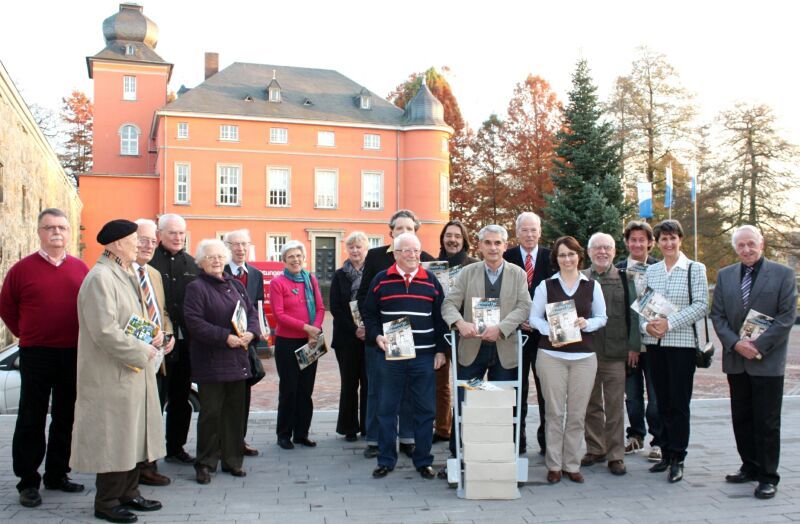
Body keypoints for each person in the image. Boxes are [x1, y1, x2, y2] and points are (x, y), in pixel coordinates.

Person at [72, 219, 165, 523]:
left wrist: (153, 333)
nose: (140, 244)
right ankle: (107, 501)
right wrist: (142, 351)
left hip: (130, 371)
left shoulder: (122, 272)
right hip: (113, 373)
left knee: (133, 435)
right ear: (116, 244)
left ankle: (129, 492)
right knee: (115, 437)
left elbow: (130, 319)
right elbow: (104, 330)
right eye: (133, 239)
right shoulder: (101, 277)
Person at [0, 208, 88, 508]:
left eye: (62, 227)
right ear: (39, 231)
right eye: (49, 227)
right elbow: (7, 307)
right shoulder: (22, 270)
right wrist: (27, 334)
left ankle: (57, 474)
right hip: (36, 353)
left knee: (66, 415)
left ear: (69, 232)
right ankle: (28, 481)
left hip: (73, 351)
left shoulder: (80, 269)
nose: (56, 233)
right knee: (31, 416)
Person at [710, 225, 797, 500]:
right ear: (736, 247)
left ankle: (768, 476)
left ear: (762, 244)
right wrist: (736, 344)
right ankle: (749, 465)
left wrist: (756, 346)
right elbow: (718, 315)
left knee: (767, 421)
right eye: (741, 245)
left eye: (751, 244)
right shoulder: (725, 276)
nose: (746, 249)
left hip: (767, 361)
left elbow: (786, 317)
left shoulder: (783, 274)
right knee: (742, 418)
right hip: (737, 360)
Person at [362, 233, 448, 480]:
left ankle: (423, 461)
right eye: (407, 251)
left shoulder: (431, 281)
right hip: (391, 355)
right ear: (396, 254)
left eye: (416, 250)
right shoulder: (381, 279)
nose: (413, 255)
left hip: (424, 356)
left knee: (425, 410)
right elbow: (369, 314)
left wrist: (441, 349)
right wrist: (376, 336)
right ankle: (386, 460)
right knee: (386, 410)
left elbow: (441, 319)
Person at [441, 224, 531, 457]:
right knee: (465, 402)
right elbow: (449, 304)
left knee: (503, 404)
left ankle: (503, 458)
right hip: (472, 351)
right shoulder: (467, 273)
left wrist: (501, 329)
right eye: (488, 243)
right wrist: (460, 323)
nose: (493, 247)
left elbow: (524, 306)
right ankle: (459, 456)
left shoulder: (517, 273)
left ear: (505, 246)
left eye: (497, 243)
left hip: (504, 352)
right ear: (480, 246)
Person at [355, 209, 435, 458]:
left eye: (409, 228)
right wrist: (370, 330)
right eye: (399, 228)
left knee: (410, 392)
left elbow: (437, 299)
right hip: (383, 338)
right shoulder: (377, 257)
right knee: (378, 390)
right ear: (391, 233)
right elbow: (364, 296)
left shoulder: (427, 259)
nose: (404, 232)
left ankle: (408, 438)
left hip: (417, 341)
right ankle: (376, 439)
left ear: (415, 232)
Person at [529, 236, 607, 484]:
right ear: (556, 259)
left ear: (578, 256)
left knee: (576, 414)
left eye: (571, 254)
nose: (567, 259)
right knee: (554, 412)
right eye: (562, 255)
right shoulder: (546, 285)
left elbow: (602, 317)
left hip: (583, 357)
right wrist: (551, 331)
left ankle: (571, 464)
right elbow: (534, 318)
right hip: (552, 356)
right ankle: (553, 465)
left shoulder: (592, 286)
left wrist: (587, 323)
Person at [184, 239, 259, 484]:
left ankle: (233, 460)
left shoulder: (235, 284)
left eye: (219, 256)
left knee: (234, 414)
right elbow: (194, 323)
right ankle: (205, 463)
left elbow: (251, 313)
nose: (216, 261)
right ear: (201, 262)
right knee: (211, 415)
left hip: (238, 360)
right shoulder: (196, 287)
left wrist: (252, 333)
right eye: (210, 257)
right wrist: (224, 337)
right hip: (212, 361)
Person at [640, 219, 708, 483]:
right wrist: (648, 325)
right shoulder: (652, 271)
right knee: (662, 402)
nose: (668, 243)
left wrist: (670, 323)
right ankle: (666, 452)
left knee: (678, 404)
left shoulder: (694, 268)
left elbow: (701, 305)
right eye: (663, 239)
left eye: (673, 238)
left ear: (680, 239)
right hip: (655, 346)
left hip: (681, 346)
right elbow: (642, 306)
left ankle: (678, 457)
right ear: (657, 242)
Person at [580, 233, 639, 476]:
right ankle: (596, 448)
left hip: (616, 352)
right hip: (586, 351)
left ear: (614, 252)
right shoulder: (581, 278)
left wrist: (634, 346)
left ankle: (616, 455)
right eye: (597, 248)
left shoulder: (625, 279)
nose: (602, 252)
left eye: (607, 248)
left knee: (614, 406)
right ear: (589, 252)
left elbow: (635, 314)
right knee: (590, 404)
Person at [149, 214, 199, 465]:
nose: (178, 237)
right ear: (160, 234)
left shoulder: (193, 264)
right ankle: (149, 455)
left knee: (181, 399)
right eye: (172, 233)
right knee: (154, 400)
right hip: (155, 343)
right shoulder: (149, 261)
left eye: (181, 233)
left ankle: (176, 447)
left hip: (185, 344)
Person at [503, 211, 553, 456]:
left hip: (544, 335)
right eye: (525, 230)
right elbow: (501, 294)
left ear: (540, 232)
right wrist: (518, 318)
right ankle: (517, 437)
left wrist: (538, 319)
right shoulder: (507, 257)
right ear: (517, 232)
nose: (530, 234)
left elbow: (557, 293)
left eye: (534, 229)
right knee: (517, 388)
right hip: (515, 334)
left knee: (546, 389)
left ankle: (547, 438)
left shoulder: (550, 257)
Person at [269, 240, 325, 450]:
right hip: (287, 343)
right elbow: (279, 315)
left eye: (299, 256)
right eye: (291, 256)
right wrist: (307, 328)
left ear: (304, 258)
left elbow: (320, 308)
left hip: (311, 341)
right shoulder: (278, 282)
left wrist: (315, 329)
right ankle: (284, 434)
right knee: (289, 389)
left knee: (305, 390)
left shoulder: (310, 279)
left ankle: (301, 433)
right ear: (283, 260)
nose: (295, 260)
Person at [133, 219, 176, 487]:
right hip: (134, 357)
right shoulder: (122, 272)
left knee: (154, 412)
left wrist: (168, 334)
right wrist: (150, 338)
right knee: (135, 417)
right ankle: (132, 468)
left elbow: (162, 312)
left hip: (157, 357)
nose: (148, 245)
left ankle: (148, 465)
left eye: (152, 240)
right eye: (142, 239)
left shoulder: (155, 275)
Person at [615, 220, 663, 461]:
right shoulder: (619, 270)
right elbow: (619, 310)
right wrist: (630, 345)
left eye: (641, 240)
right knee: (632, 397)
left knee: (656, 397)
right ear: (626, 242)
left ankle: (659, 440)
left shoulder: (660, 268)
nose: (637, 244)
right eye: (632, 239)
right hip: (629, 346)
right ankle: (635, 436)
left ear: (650, 243)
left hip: (655, 344)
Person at [222, 229, 267, 457]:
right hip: (225, 342)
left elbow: (257, 309)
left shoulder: (256, 274)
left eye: (244, 244)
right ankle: (222, 442)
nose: (240, 249)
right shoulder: (219, 271)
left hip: (247, 344)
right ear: (227, 246)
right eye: (235, 244)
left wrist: (257, 334)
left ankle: (239, 440)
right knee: (224, 397)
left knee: (244, 396)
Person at [434, 220, 479, 443]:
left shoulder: (474, 265)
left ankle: (467, 429)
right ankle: (443, 428)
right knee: (440, 383)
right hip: (440, 332)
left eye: (457, 236)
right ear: (443, 238)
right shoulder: (432, 266)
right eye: (448, 235)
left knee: (468, 382)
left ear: (464, 240)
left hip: (466, 333)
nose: (452, 240)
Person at [330, 231, 369, 441]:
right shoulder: (339, 275)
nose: (355, 251)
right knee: (349, 383)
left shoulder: (373, 273)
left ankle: (367, 426)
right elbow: (335, 308)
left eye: (359, 247)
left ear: (366, 249)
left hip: (369, 337)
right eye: (351, 247)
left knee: (369, 382)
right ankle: (349, 427)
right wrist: (355, 329)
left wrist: (367, 328)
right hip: (346, 337)